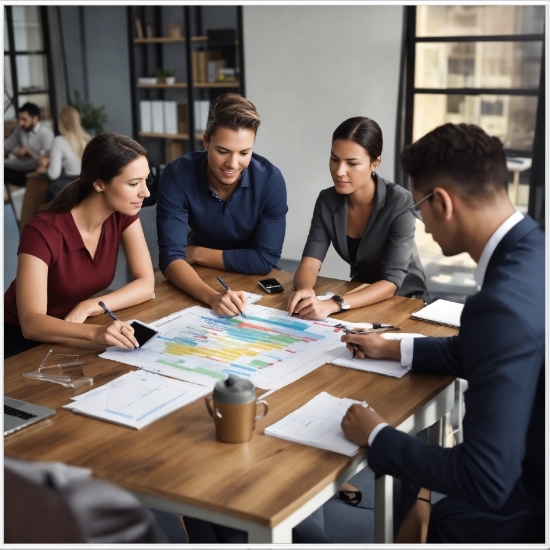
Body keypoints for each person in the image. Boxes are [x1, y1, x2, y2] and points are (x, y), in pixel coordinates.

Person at [340, 123, 544, 543]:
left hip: (530, 502)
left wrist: (377, 436)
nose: (422, 223)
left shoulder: (499, 305)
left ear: (444, 203)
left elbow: (485, 478)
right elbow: (487, 351)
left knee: (432, 510)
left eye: (419, 208)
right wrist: (393, 347)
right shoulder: (534, 248)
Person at [4, 133, 156, 359]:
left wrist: (90, 305)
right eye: (134, 183)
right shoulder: (42, 231)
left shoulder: (122, 214)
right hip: (19, 344)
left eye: (146, 180)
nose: (146, 192)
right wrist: (96, 333)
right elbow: (31, 324)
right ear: (99, 184)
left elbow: (146, 285)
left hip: (76, 330)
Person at [157, 93, 287, 317]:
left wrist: (195, 252)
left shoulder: (271, 180)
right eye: (223, 151)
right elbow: (171, 258)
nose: (233, 164)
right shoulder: (177, 174)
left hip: (253, 279)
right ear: (206, 141)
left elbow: (265, 260)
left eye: (244, 153)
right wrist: (212, 297)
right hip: (198, 277)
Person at [288, 116, 426, 320]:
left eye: (352, 163)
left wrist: (335, 303)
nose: (339, 171)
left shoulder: (400, 202)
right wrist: (305, 289)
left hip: (405, 301)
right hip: (359, 294)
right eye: (334, 159)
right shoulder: (327, 200)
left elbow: (391, 283)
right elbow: (310, 262)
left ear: (375, 163)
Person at [19, 105, 91, 227]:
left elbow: (54, 174)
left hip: (71, 182)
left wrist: (44, 169)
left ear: (61, 122)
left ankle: (50, 226)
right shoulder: (87, 138)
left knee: (50, 189)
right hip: (87, 182)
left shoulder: (59, 141)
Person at [4, 102, 54, 187]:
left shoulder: (46, 134)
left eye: (24, 119)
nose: (21, 123)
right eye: (20, 119)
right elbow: (6, 146)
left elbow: (46, 161)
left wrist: (30, 152)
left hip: (38, 173)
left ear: (35, 119)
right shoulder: (20, 130)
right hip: (21, 170)